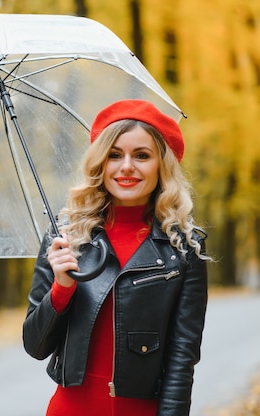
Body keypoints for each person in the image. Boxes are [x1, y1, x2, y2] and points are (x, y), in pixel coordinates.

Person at [22, 99, 211, 416]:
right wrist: (62, 286)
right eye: (114, 155)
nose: (126, 167)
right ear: (100, 164)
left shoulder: (184, 248)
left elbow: (182, 357)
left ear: (161, 166)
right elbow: (35, 345)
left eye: (142, 155)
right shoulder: (66, 238)